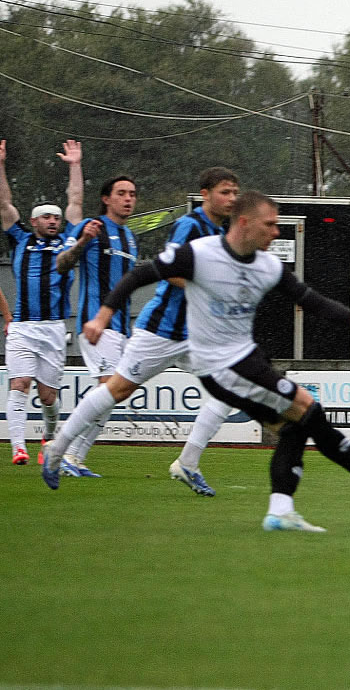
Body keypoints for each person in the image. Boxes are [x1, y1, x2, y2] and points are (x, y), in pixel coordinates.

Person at [44, 191, 350, 532]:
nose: (276, 232)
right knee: (307, 409)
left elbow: (310, 300)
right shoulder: (201, 253)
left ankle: (283, 509)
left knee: (295, 426)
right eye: (270, 224)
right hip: (221, 368)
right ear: (244, 223)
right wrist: (102, 317)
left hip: (245, 360)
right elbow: (141, 274)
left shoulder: (267, 266)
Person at [44, 168, 240, 495]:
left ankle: (188, 462)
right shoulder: (189, 225)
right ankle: (60, 448)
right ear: (205, 194)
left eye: (235, 193)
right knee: (114, 390)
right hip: (161, 329)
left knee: (230, 385)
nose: (231, 198)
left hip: (193, 333)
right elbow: (168, 270)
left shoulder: (219, 232)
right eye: (225, 192)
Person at [1, 139, 86, 466]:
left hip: (53, 329)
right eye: (46, 217)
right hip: (22, 327)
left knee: (48, 397)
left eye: (56, 217)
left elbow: (75, 201)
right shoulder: (20, 238)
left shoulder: (67, 240)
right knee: (19, 384)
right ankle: (17, 448)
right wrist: (1, 164)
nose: (53, 221)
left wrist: (75, 165)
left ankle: (49, 437)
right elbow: (4, 202)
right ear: (34, 221)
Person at [54, 172, 139, 477]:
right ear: (106, 199)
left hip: (122, 329)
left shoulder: (131, 237)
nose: (128, 199)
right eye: (121, 193)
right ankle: (64, 452)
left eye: (132, 194)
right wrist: (83, 241)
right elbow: (61, 263)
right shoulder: (91, 227)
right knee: (108, 388)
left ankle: (74, 457)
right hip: (96, 324)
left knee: (113, 394)